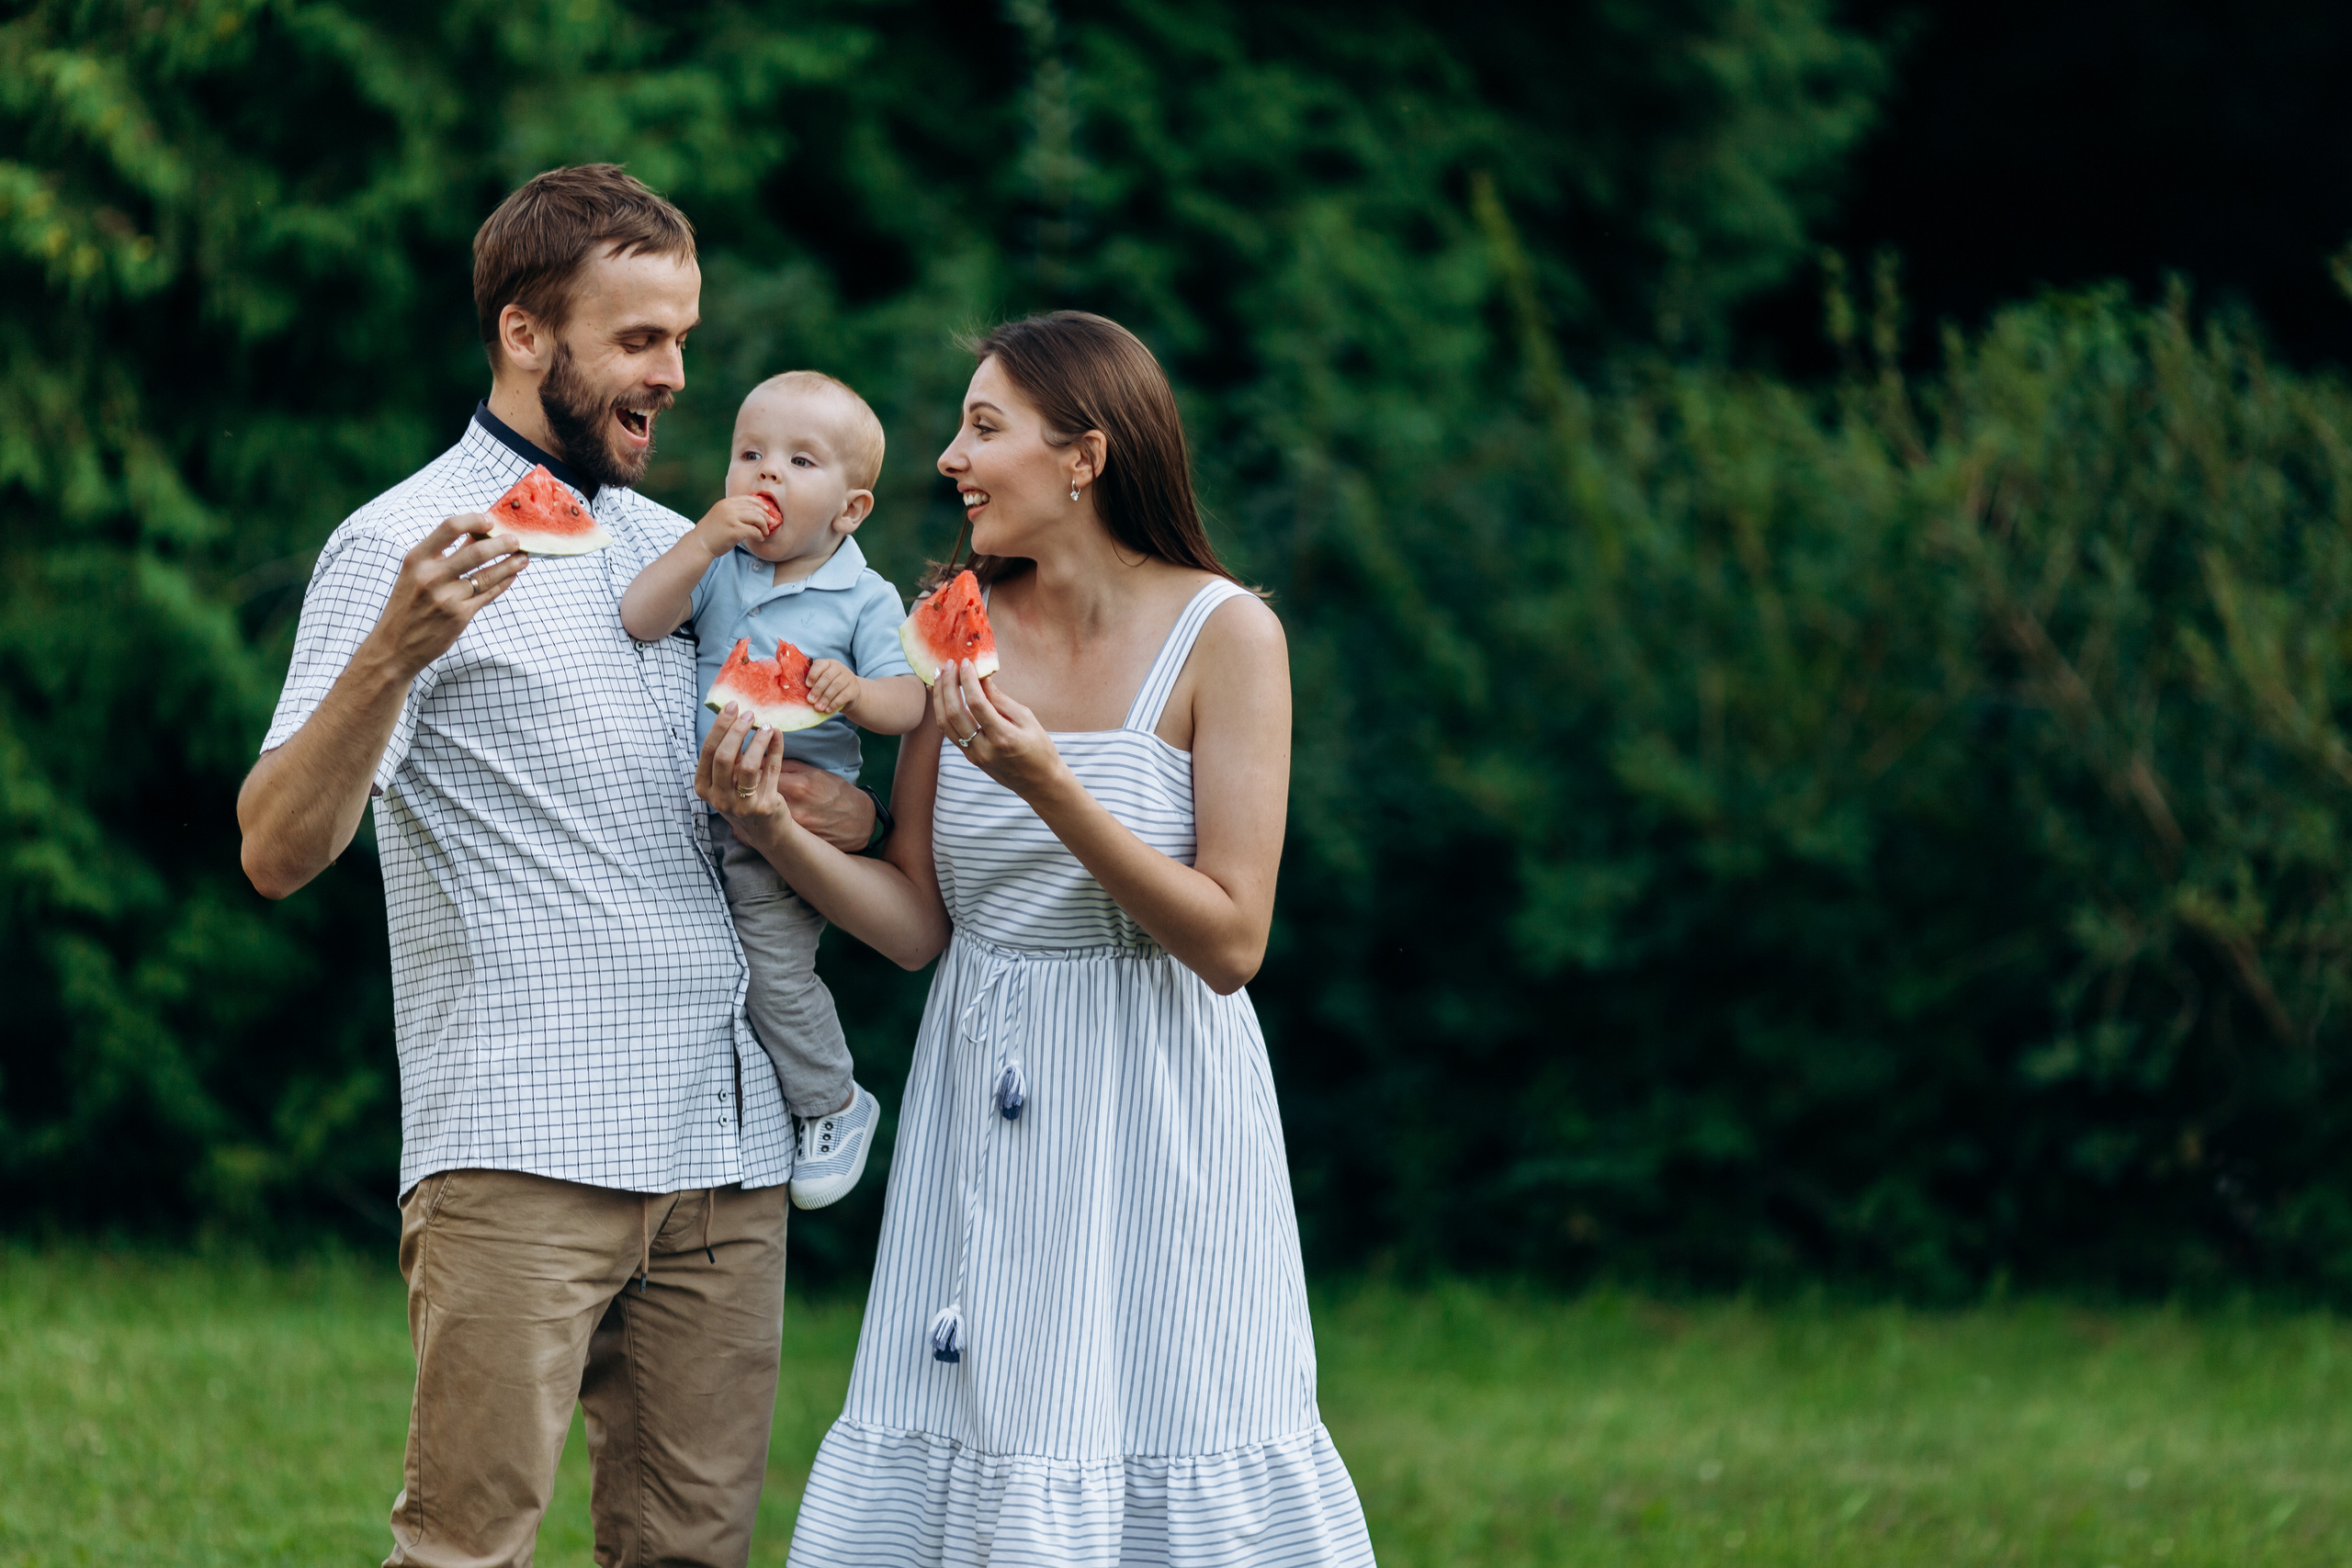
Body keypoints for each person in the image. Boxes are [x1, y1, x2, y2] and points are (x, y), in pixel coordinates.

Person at [235, 164, 876, 1568]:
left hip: (725, 1154)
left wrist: (802, 800)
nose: (676, 376)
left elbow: (792, 809)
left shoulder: (685, 553)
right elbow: (275, 848)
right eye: (640, 339)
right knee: (467, 1551)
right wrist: (393, 652)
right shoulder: (397, 548)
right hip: (526, 1148)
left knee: (692, 1554)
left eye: (684, 339)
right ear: (526, 333)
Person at [699, 310, 1377, 1565]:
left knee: (1170, 1417)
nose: (949, 458)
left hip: (1157, 1107)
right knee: (977, 1423)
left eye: (983, 427)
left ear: (1084, 457)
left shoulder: (1228, 634)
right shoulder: (954, 622)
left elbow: (1231, 941)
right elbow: (917, 925)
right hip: (981, 1091)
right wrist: (773, 827)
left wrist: (1049, 783)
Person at [620, 370, 926, 1208]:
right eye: (750, 453)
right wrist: (701, 542)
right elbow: (640, 616)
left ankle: (835, 1101)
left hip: (788, 830)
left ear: (851, 510)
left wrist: (854, 693)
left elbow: (908, 703)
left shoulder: (866, 597)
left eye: (799, 460)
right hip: (692, 816)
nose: (766, 472)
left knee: (773, 975)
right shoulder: (720, 567)